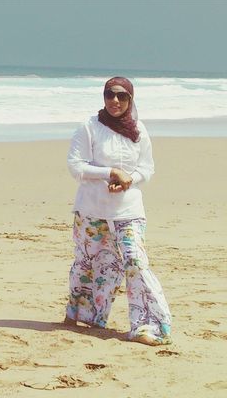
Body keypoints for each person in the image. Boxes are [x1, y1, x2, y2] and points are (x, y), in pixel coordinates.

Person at [64, 77, 172, 345]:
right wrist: (109, 172)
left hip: (129, 211)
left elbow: (147, 169)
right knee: (90, 264)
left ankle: (148, 326)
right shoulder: (89, 127)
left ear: (130, 100)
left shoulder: (139, 130)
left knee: (135, 261)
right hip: (91, 211)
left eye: (122, 96)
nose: (115, 101)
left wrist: (128, 180)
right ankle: (84, 315)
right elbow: (75, 166)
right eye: (110, 95)